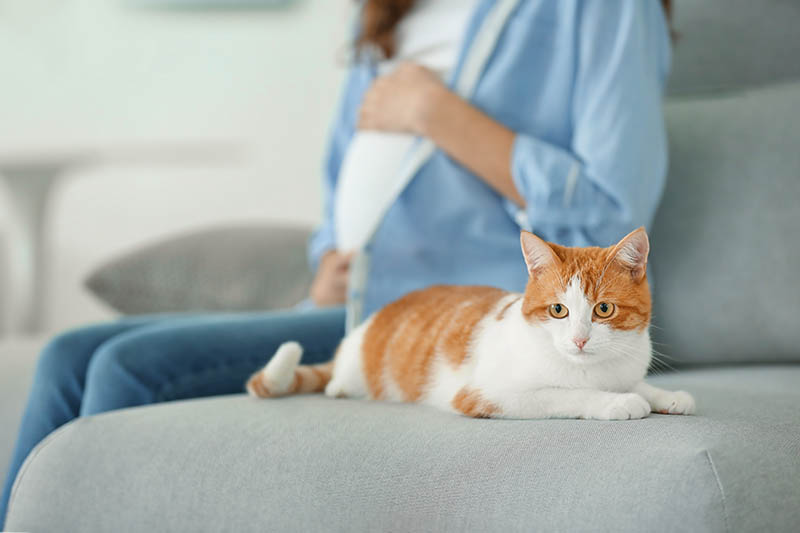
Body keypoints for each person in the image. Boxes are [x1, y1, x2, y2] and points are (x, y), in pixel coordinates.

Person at [1, 0, 672, 523]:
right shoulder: (387, 10)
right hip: (340, 300)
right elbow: (341, 170)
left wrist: (437, 112)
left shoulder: (604, 9)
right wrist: (325, 254)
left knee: (123, 366)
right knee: (67, 355)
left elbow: (614, 208)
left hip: (435, 314)